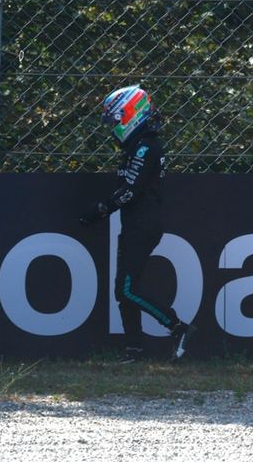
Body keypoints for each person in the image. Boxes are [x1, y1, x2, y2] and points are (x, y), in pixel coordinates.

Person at [78, 85, 196, 362]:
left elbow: (130, 190)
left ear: (131, 114)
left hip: (143, 225)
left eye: (117, 120)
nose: (114, 127)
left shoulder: (146, 145)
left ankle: (177, 327)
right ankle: (133, 349)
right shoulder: (137, 144)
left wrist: (100, 210)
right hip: (133, 224)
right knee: (124, 290)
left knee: (126, 289)